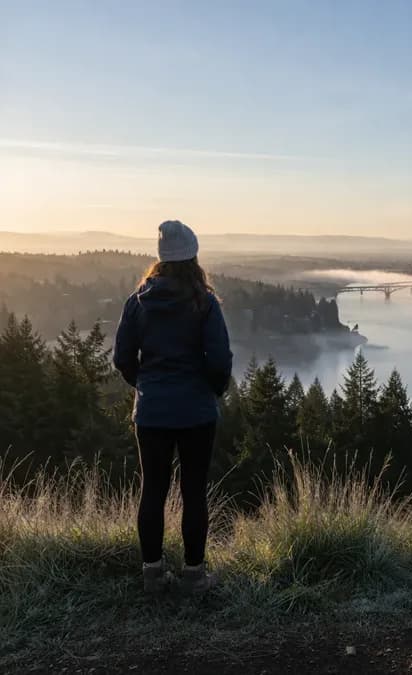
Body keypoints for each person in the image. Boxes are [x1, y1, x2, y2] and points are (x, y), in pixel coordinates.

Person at [114, 220, 232, 595]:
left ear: (160, 260)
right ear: (193, 257)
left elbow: (122, 358)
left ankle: (153, 575)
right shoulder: (205, 302)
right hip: (196, 412)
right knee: (194, 492)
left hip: (152, 413)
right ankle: (194, 576)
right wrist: (213, 392)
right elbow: (219, 361)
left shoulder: (138, 302)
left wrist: (145, 386)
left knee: (153, 491)